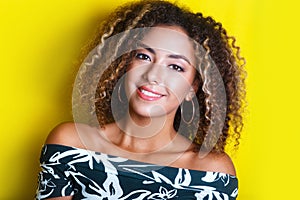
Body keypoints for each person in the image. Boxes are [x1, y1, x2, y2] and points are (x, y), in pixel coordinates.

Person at [36, 0, 246, 199]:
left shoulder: (211, 172)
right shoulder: (71, 144)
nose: (153, 75)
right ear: (124, 65)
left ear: (192, 87)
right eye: (144, 56)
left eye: (175, 67)